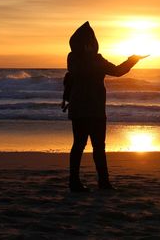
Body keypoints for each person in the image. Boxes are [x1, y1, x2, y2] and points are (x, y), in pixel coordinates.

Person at [62, 21, 147, 192]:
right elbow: (117, 71)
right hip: (94, 109)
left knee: (80, 145)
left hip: (80, 109)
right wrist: (132, 60)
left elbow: (74, 75)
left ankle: (76, 182)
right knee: (97, 147)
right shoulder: (95, 60)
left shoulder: (72, 58)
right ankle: (103, 183)